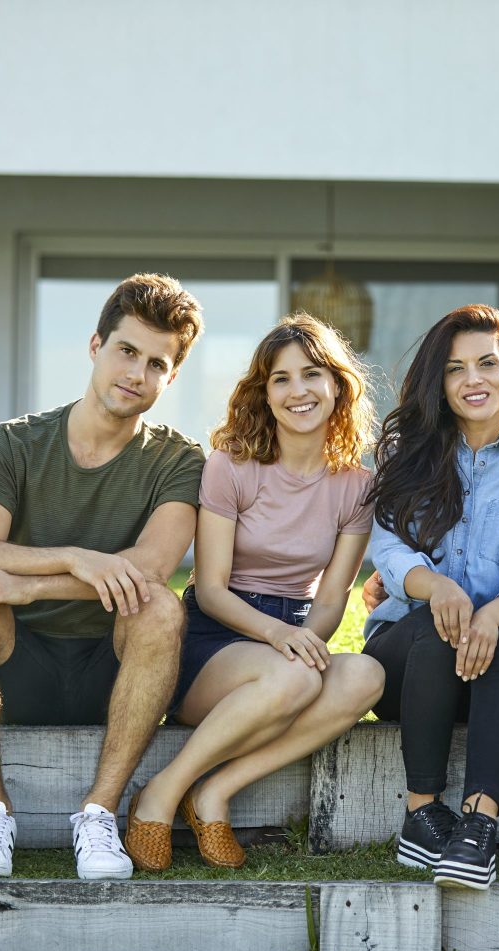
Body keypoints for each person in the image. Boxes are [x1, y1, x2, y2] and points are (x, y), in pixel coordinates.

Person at [0, 273, 206, 880]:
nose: (137, 373)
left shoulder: (179, 460)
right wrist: (76, 558)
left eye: (156, 364)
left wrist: (29, 581)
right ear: (95, 346)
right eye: (126, 351)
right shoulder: (16, 443)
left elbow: (150, 569)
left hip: (114, 670)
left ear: (171, 376)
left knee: (160, 607)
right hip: (19, 664)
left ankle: (100, 813)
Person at [122, 314, 385, 872]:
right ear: (263, 395)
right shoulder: (230, 467)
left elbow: (334, 594)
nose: (298, 391)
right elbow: (211, 590)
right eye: (281, 379)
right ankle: (159, 795)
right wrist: (281, 640)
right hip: (216, 638)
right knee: (292, 672)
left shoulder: (358, 486)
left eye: (311, 374)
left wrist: (306, 641)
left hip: (293, 635)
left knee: (366, 675)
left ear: (337, 384)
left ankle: (212, 793)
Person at [362, 304, 499, 891]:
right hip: (406, 666)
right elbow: (390, 552)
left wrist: (492, 613)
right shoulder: (407, 456)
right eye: (456, 369)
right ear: (441, 382)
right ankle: (422, 815)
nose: (472, 379)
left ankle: (478, 829)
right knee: (436, 623)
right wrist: (440, 587)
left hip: (488, 676)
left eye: (487, 363)